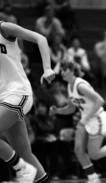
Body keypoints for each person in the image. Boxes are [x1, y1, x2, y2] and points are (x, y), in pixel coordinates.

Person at [0, 21, 55, 182]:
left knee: (23, 163)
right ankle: (27, 170)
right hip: (3, 98)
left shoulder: (4, 28)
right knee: (24, 153)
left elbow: (40, 39)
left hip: (18, 93)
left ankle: (21, 169)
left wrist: (47, 69)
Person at [49, 61, 106, 183]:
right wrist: (58, 111)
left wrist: (86, 118)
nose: (61, 73)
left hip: (96, 118)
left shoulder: (80, 85)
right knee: (78, 150)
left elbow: (100, 100)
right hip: (85, 119)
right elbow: (71, 108)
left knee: (94, 154)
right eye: (61, 70)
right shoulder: (69, 86)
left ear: (72, 71)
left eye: (64, 70)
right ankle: (93, 178)